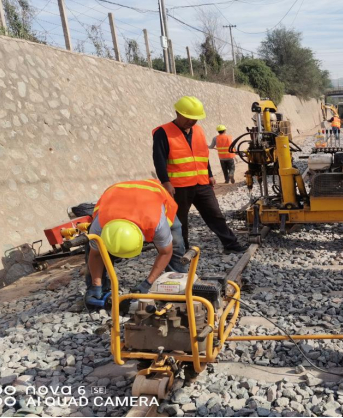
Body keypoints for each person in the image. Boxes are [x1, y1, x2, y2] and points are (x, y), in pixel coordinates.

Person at [152, 96, 248, 254]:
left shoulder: (198, 130)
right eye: (188, 118)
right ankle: (182, 250)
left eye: (195, 119)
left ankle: (231, 244)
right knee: (180, 220)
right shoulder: (163, 132)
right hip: (179, 186)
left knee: (215, 214)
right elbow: (159, 159)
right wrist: (165, 182)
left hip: (201, 183)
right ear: (177, 113)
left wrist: (209, 174)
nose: (192, 121)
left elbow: (202, 154)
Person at [84, 179, 186, 305]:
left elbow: (165, 252)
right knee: (92, 248)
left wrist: (148, 283)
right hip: (116, 192)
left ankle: (179, 283)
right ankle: (97, 290)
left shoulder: (157, 224)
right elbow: (95, 254)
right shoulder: (99, 226)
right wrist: (96, 284)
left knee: (175, 243)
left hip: (153, 193)